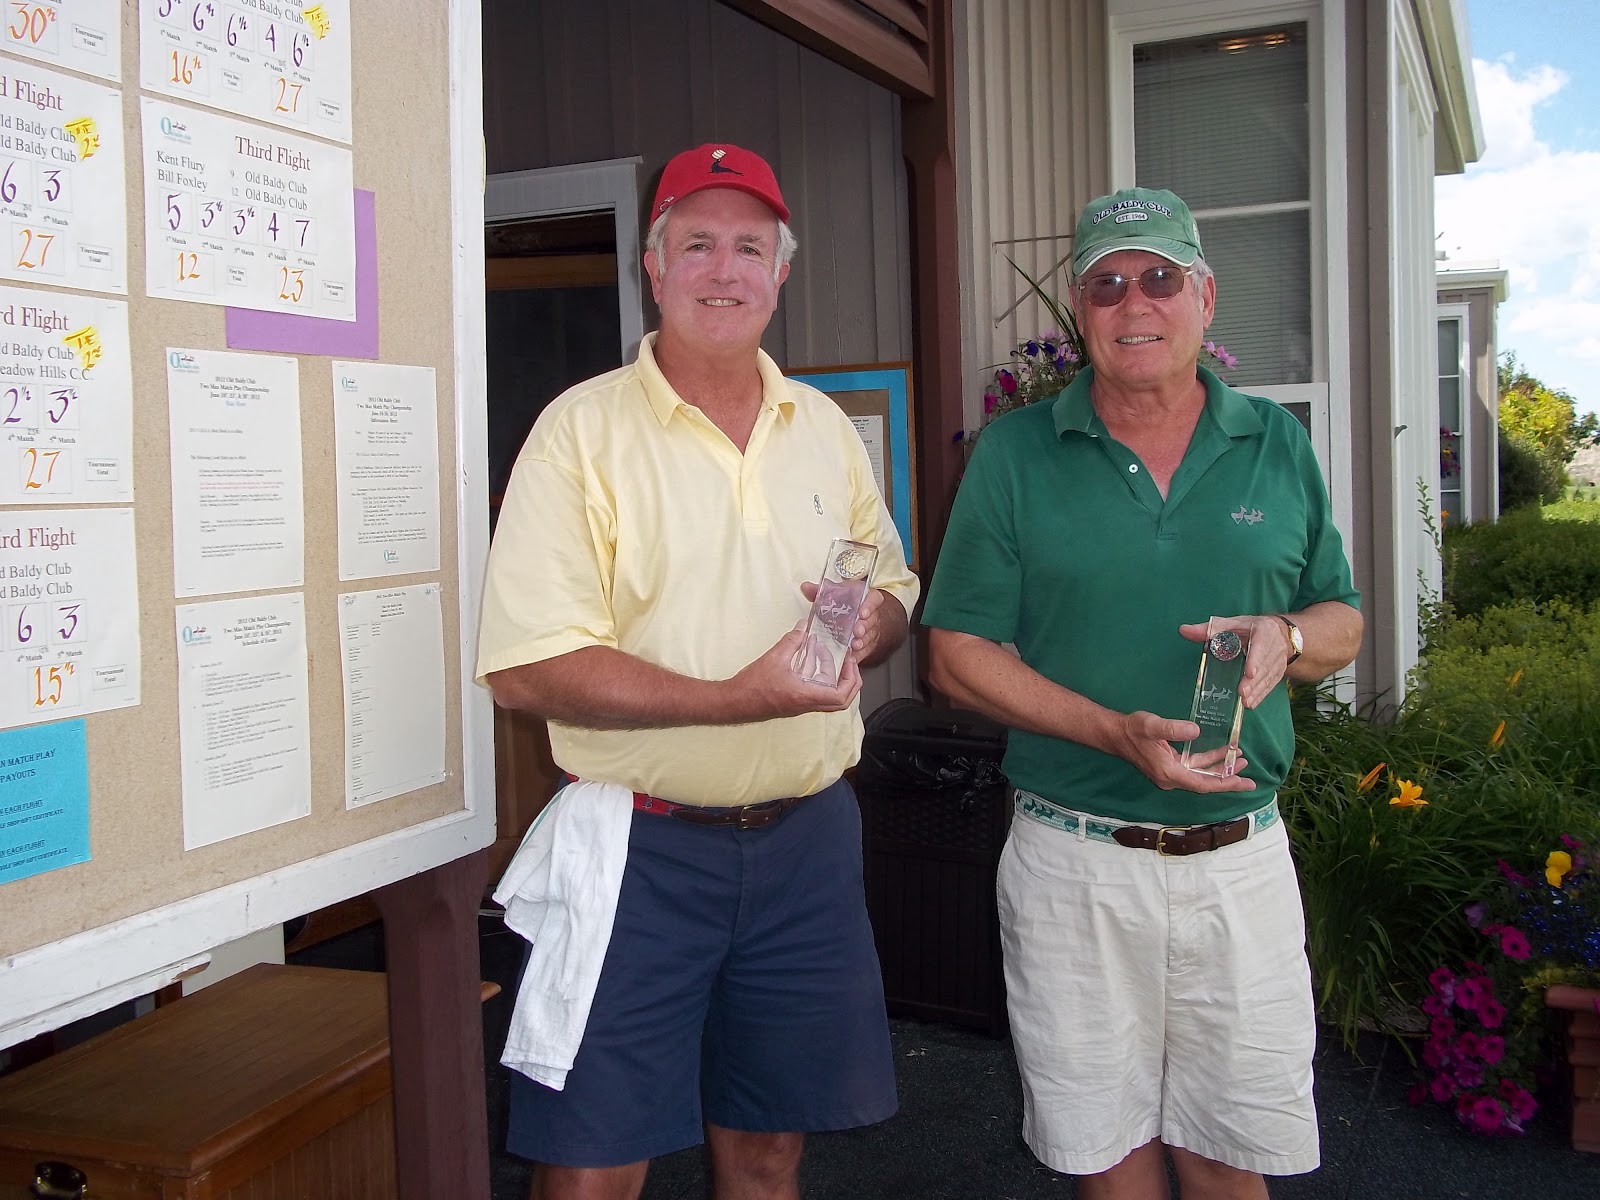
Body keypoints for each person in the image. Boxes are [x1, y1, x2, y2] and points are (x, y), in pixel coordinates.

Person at [477, 143, 919, 1200]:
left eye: (750, 248)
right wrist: (735, 700)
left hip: (808, 841)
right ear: (653, 263)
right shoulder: (576, 434)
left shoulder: (821, 428)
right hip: (639, 847)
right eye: (699, 244)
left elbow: (894, 584)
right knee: (591, 1162)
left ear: (781, 272)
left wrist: (868, 630)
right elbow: (529, 669)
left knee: (768, 1152)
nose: (725, 271)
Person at [921, 186, 1362, 1199]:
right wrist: (1110, 733)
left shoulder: (1275, 443)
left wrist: (1286, 635)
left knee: (1226, 1159)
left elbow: (1339, 617)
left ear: (1204, 297)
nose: (1135, 303)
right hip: (1074, 864)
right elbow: (954, 652)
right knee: (1106, 1160)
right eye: (1106, 283)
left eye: (1159, 278)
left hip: (1239, 867)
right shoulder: (1014, 454)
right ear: (1080, 315)